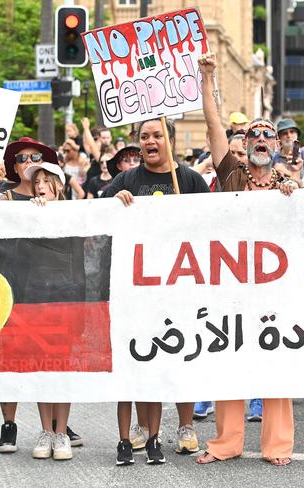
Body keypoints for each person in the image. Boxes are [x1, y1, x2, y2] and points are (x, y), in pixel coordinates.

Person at [195, 52, 296, 467]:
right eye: (253, 133)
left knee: (276, 367)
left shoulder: (289, 185)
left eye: (267, 135)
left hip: (275, 290)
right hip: (233, 287)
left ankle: (277, 446)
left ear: (276, 146)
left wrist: (294, 197)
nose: (259, 138)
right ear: (246, 142)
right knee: (230, 362)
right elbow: (215, 126)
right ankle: (226, 443)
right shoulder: (231, 174)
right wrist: (208, 79)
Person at [103, 117, 208, 466]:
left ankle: (186, 426)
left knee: (182, 357)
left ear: (170, 141)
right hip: (137, 291)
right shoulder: (126, 179)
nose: (151, 141)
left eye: (157, 135)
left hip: (180, 288)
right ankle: (144, 429)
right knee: (140, 356)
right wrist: (113, 201)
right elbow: (98, 217)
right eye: (144, 136)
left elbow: (214, 225)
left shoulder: (190, 179)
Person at [0, 137, 83, 452]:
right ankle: (15, 425)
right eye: (21, 159)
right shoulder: (6, 196)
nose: (28, 163)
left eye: (35, 158)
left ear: (56, 183)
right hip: (21, 292)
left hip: (60, 295)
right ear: (15, 167)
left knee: (59, 361)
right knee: (27, 359)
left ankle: (60, 429)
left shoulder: (67, 209)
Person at [23, 162, 74, 460]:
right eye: (36, 181)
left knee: (63, 367)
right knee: (41, 365)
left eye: (46, 180)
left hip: (67, 297)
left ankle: (62, 433)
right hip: (36, 298)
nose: (40, 185)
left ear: (59, 185)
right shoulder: (27, 212)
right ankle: (46, 430)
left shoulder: (74, 214)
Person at [272, 118, 304, 186]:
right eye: (285, 133)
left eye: (292, 131)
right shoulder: (273, 158)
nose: (289, 136)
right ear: (279, 137)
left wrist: (287, 172)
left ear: (297, 135)